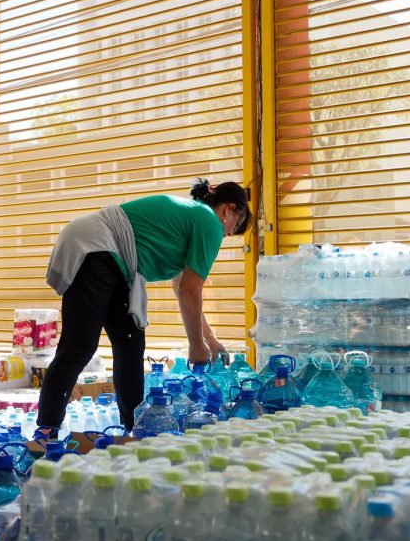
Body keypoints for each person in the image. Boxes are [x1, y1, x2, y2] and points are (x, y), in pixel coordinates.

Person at [37, 178, 252, 432]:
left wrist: (210, 340)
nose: (228, 234)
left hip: (114, 258)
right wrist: (196, 344)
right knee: (80, 346)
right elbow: (190, 290)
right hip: (97, 246)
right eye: (234, 225)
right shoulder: (208, 221)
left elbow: (182, 287)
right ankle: (46, 432)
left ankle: (134, 429)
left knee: (130, 346)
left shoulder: (192, 217)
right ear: (228, 209)